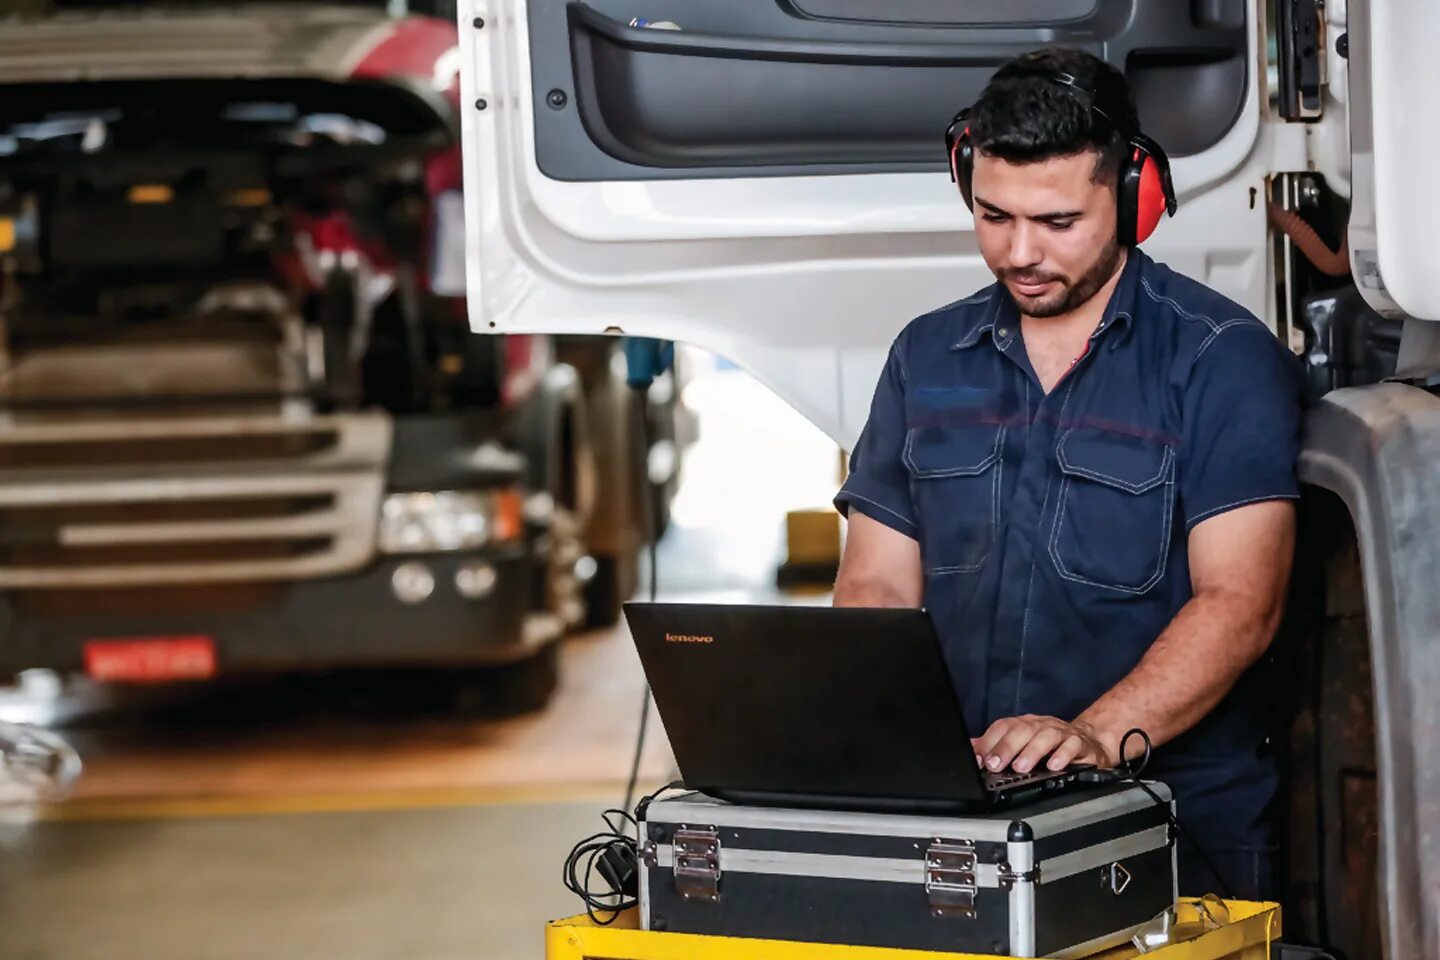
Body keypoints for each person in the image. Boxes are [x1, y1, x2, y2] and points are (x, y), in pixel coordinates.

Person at [832, 47, 1303, 900]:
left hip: (1169, 832)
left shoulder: (1218, 361)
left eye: (1056, 223)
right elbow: (873, 585)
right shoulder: (925, 356)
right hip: (965, 831)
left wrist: (1090, 738)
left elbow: (1242, 605)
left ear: (1133, 198)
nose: (1019, 253)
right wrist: (892, 751)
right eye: (993, 216)